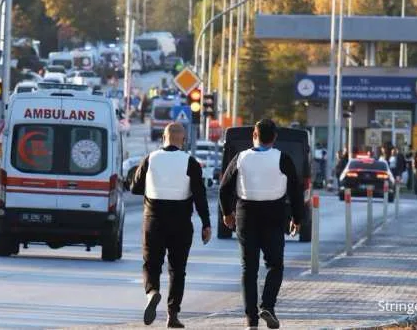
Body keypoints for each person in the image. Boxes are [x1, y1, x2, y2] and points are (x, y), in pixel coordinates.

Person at [219, 119, 304, 329]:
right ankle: (267, 305)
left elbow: (224, 187)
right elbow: (295, 191)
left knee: (249, 269)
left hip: (246, 214)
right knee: (275, 265)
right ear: (274, 137)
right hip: (274, 214)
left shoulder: (241, 158)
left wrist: (227, 213)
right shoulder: (283, 159)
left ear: (254, 136)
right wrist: (297, 218)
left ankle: (251, 321)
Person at [130, 122, 211, 328]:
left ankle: (152, 292)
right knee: (177, 269)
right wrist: (206, 224)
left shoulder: (150, 159)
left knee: (151, 263)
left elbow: (135, 187)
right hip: (181, 223)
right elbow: (200, 196)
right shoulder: (190, 162)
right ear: (183, 140)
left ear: (163, 138)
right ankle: (172, 315)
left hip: (153, 219)